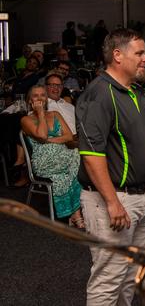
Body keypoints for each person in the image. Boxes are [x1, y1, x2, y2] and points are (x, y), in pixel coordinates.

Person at [76, 28, 145, 305]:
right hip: (113, 200)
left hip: (142, 198)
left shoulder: (136, 92)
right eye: (140, 53)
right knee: (108, 280)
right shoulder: (99, 94)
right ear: (117, 55)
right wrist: (112, 203)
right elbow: (91, 154)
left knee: (131, 276)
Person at [20, 85, 83, 227]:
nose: (40, 98)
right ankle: (76, 214)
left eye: (42, 95)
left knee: (77, 158)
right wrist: (41, 113)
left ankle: (75, 214)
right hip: (44, 162)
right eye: (35, 96)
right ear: (30, 100)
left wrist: (48, 140)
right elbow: (41, 135)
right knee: (74, 160)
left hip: (64, 156)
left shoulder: (55, 114)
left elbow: (68, 137)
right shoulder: (25, 120)